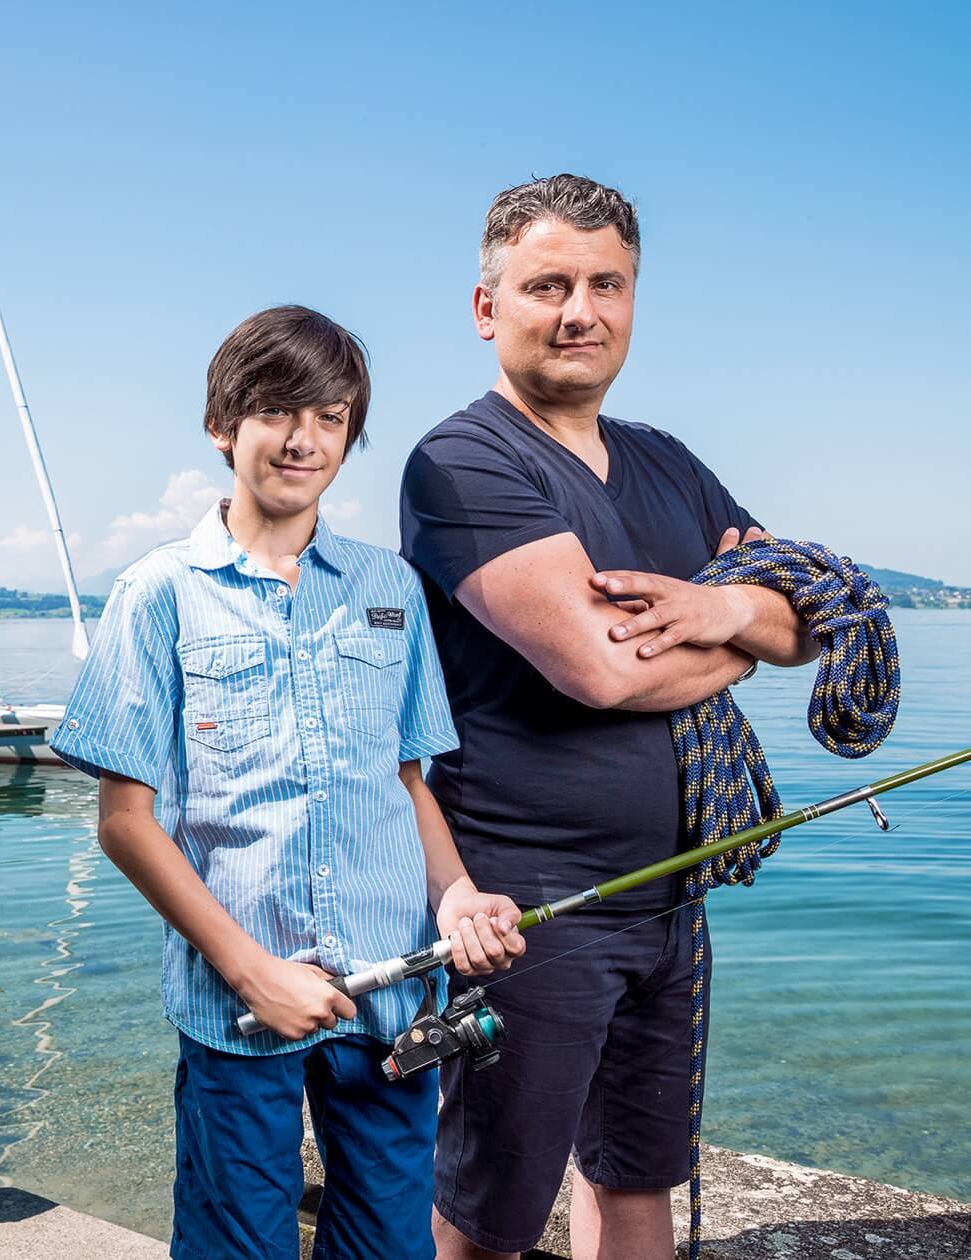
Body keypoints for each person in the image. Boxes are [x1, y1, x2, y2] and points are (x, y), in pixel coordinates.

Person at [399, 175, 818, 1260]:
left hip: (670, 900)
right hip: (531, 907)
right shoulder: (463, 461)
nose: (580, 308)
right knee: (490, 1211)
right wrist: (738, 636)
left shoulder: (668, 460)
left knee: (638, 1184)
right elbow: (601, 670)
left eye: (606, 284)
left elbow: (807, 616)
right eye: (547, 285)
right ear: (488, 308)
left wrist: (718, 605)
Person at [50, 305, 526, 1260]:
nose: (304, 438)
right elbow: (125, 823)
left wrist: (461, 894)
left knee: (391, 1244)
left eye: (332, 416)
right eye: (276, 411)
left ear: (350, 435)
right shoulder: (159, 592)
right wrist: (251, 969)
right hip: (239, 1004)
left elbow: (406, 781)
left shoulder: (388, 588)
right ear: (224, 426)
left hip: (391, 995)